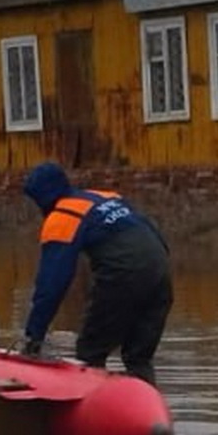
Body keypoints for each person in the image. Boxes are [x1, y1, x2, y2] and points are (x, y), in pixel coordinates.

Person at [22, 162, 172, 386]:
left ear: (41, 199)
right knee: (138, 357)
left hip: (123, 274)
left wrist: (34, 335)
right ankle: (150, 413)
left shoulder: (63, 216)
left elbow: (52, 284)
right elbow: (148, 229)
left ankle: (89, 409)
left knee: (90, 351)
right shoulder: (104, 196)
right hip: (161, 270)